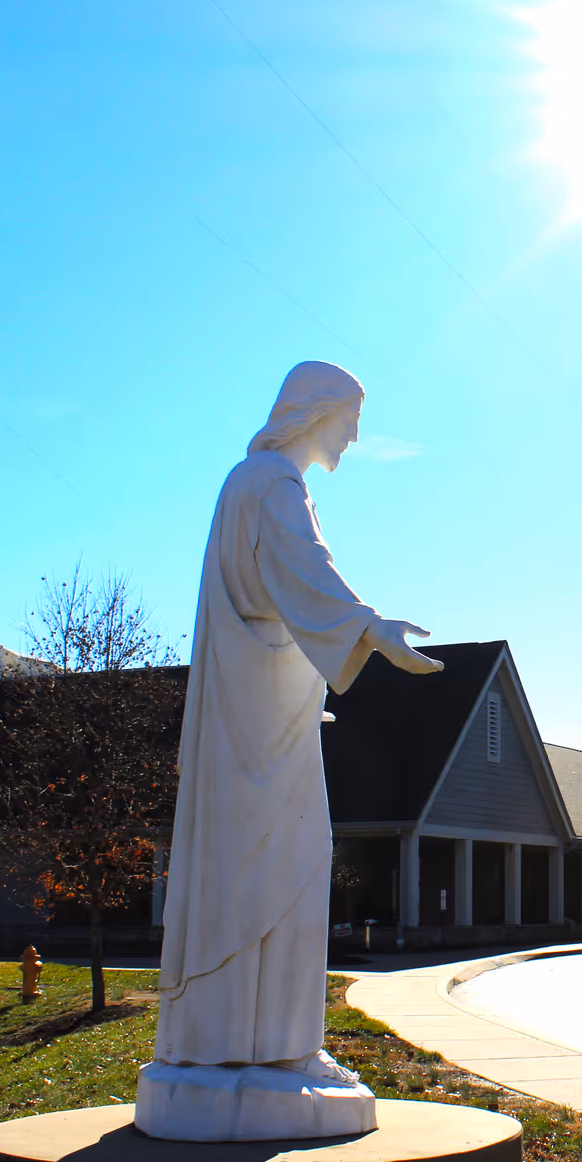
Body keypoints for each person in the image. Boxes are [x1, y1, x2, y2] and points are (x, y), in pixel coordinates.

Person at [147, 361, 440, 1093]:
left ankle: (229, 1042)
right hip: (258, 743)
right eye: (350, 420)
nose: (353, 436)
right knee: (291, 863)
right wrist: (371, 629)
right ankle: (276, 1051)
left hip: (256, 717)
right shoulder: (275, 483)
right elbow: (302, 567)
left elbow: (263, 608)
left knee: (252, 869)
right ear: (316, 412)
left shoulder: (243, 482)